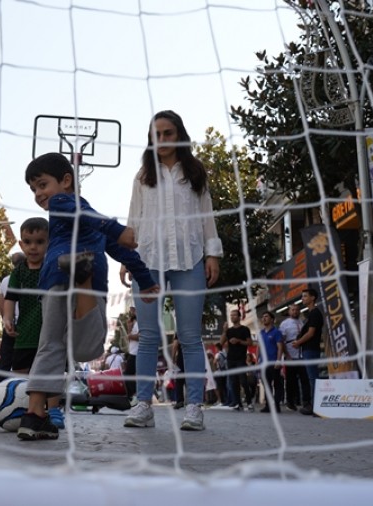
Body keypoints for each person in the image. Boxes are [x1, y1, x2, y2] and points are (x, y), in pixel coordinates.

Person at [17, 153, 159, 441]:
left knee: (51, 345)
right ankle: (81, 277)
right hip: (72, 280)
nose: (39, 194)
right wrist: (120, 232)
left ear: (66, 180)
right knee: (87, 348)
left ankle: (34, 416)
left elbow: (121, 251)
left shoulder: (72, 207)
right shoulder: (65, 206)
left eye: (42, 185)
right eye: (33, 189)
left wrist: (144, 280)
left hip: (53, 282)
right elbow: (114, 239)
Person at [121, 110, 223, 432]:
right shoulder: (142, 176)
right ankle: (142, 405)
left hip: (190, 260)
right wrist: (127, 255)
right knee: (148, 336)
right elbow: (133, 218)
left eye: (167, 133)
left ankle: (194, 407)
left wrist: (212, 255)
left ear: (179, 134)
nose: (162, 140)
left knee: (191, 337)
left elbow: (207, 216)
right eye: (156, 134)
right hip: (148, 260)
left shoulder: (194, 173)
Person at [3, 218, 67, 426]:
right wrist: (7, 318)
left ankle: (54, 410)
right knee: (21, 372)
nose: (33, 247)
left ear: (49, 242)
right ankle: (20, 408)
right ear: (21, 244)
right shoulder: (18, 272)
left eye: (40, 241)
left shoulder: (53, 267)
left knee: (50, 370)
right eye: (28, 242)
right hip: (24, 332)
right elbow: (10, 298)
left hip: (50, 330)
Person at [0, 251, 25, 385]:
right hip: (27, 324)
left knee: (5, 359)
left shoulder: (6, 280)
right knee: (26, 359)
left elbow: (1, 305)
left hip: (10, 323)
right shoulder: (29, 277)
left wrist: (6, 321)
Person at [293, 288, 324, 416]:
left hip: (311, 349)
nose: (303, 298)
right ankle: (313, 404)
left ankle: (316, 406)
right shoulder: (310, 314)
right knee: (311, 377)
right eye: (302, 296)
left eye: (305, 296)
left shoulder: (315, 313)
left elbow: (311, 333)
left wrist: (298, 342)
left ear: (313, 298)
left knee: (313, 378)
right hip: (308, 349)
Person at [220, 309, 254, 411]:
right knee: (233, 382)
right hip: (230, 359)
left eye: (234, 315)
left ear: (239, 317)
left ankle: (249, 402)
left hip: (240, 358)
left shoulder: (245, 329)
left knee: (243, 381)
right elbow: (220, 343)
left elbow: (250, 343)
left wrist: (238, 341)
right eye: (231, 315)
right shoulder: (229, 331)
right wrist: (224, 330)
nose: (232, 317)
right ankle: (238, 403)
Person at [279, 304, 309, 411]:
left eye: (297, 310)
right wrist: (286, 354)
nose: (295, 312)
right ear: (289, 311)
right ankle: (290, 402)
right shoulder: (284, 324)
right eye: (293, 310)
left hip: (302, 355)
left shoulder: (303, 322)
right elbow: (281, 341)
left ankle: (306, 402)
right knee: (291, 380)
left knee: (305, 379)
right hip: (291, 354)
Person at [258, 311, 284, 413]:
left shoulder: (276, 332)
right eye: (263, 317)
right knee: (266, 385)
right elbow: (259, 347)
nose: (264, 318)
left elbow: (280, 347)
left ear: (272, 319)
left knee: (277, 384)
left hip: (273, 362)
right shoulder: (261, 333)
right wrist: (257, 361)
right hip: (263, 363)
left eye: (266, 317)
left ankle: (276, 405)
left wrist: (278, 360)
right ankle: (268, 406)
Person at [122, 307, 139, 398]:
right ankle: (131, 394)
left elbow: (140, 336)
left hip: (137, 353)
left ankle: (133, 394)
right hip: (133, 352)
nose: (131, 312)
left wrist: (129, 335)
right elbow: (130, 338)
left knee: (128, 374)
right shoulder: (134, 323)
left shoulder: (140, 322)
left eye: (133, 310)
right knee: (129, 374)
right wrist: (129, 328)